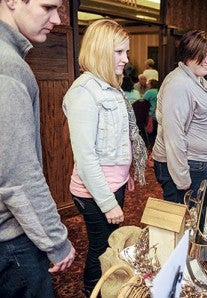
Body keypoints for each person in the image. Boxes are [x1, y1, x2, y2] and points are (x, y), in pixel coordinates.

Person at [63, 19, 148, 296]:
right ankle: (93, 291)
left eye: (126, 52)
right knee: (102, 249)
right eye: (119, 52)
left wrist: (124, 177)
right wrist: (109, 203)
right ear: (100, 51)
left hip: (112, 184)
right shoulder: (84, 93)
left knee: (109, 245)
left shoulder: (109, 86)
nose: (126, 59)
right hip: (95, 192)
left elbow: (116, 141)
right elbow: (86, 160)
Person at [0, 0, 75, 297]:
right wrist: (56, 242)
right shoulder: (7, 66)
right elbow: (17, 175)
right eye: (48, 7)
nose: (57, 18)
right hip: (11, 241)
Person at [152, 29, 207, 203]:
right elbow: (174, 134)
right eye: (204, 56)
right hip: (188, 167)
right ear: (189, 54)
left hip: (199, 165)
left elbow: (195, 113)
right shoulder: (178, 84)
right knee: (183, 221)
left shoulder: (196, 77)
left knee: (193, 216)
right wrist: (181, 178)